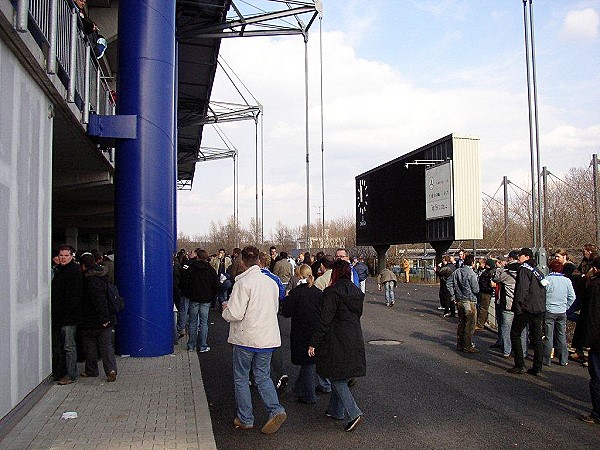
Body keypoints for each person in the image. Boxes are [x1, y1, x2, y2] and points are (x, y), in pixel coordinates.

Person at [222, 246, 287, 434]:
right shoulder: (271, 283)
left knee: (241, 378)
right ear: (259, 260)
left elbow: (235, 313)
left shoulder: (243, 283)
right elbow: (274, 308)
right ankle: (275, 410)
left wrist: (226, 308)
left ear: (242, 262)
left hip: (246, 338)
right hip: (268, 338)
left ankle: (245, 418)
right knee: (263, 376)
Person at [309, 260, 365, 432]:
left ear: (335, 273)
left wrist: (313, 343)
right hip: (354, 336)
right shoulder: (356, 292)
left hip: (336, 339)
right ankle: (335, 410)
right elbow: (358, 314)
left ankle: (353, 412)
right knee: (340, 374)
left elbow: (324, 321)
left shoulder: (331, 293)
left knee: (336, 376)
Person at [282, 264, 323, 404]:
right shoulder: (318, 292)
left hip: (300, 331)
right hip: (315, 331)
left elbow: (286, 313)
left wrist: (287, 298)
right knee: (309, 361)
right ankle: (300, 388)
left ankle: (309, 395)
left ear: (298, 276)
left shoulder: (295, 293)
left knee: (307, 363)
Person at [507, 248, 548, 376]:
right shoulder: (537, 271)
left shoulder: (524, 270)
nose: (519, 257)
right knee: (537, 338)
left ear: (527, 257)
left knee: (515, 333)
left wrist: (518, 307)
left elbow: (522, 290)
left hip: (526, 308)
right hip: (539, 308)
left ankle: (520, 364)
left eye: (521, 255)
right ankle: (537, 367)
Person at [79, 253, 117, 382]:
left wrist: (104, 318)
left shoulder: (91, 281)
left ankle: (91, 370)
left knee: (90, 345)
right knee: (106, 346)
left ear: (83, 266)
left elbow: (98, 301)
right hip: (106, 317)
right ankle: (111, 369)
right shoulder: (103, 276)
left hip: (93, 319)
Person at [51, 245, 82, 385]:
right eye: (61, 255)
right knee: (61, 347)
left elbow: (74, 297)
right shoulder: (60, 271)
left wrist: (65, 312)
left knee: (69, 347)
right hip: (60, 317)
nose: (63, 258)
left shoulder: (73, 272)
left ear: (71, 256)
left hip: (68, 318)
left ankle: (71, 374)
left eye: (66, 255)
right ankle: (61, 372)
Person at [181, 249, 220, 353]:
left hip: (193, 299)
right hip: (206, 300)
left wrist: (189, 294)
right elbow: (216, 285)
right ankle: (202, 345)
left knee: (192, 322)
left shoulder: (191, 268)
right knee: (203, 323)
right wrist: (212, 296)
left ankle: (191, 346)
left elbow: (185, 283)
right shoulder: (210, 270)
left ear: (197, 257)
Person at [492, 250, 526, 358]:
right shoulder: (525, 271)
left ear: (510, 258)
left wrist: (501, 268)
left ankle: (507, 350)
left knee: (506, 328)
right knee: (522, 330)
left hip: (508, 304)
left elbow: (496, 278)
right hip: (522, 305)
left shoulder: (506, 273)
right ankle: (523, 351)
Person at [579, 257, 600, 425]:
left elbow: (592, 315)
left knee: (597, 377)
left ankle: (597, 412)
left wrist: (586, 340)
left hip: (597, 339)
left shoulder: (594, 287)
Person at [544, 258, 575, 366]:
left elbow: (542, 295)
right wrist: (566, 306)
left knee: (549, 336)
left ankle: (547, 360)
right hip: (562, 311)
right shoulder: (567, 281)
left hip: (549, 311)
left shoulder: (546, 280)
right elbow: (572, 296)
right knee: (561, 335)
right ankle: (563, 359)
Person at [447, 253, 479, 353]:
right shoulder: (472, 274)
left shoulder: (457, 272)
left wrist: (453, 296)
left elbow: (449, 283)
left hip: (459, 300)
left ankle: (460, 344)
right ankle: (467, 345)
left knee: (461, 323)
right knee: (469, 325)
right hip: (469, 301)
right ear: (472, 263)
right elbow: (476, 289)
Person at [476, 258, 496, 331]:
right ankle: (483, 322)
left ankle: (480, 324)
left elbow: (487, 283)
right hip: (486, 291)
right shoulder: (490, 272)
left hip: (485, 292)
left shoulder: (488, 273)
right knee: (483, 308)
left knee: (483, 309)